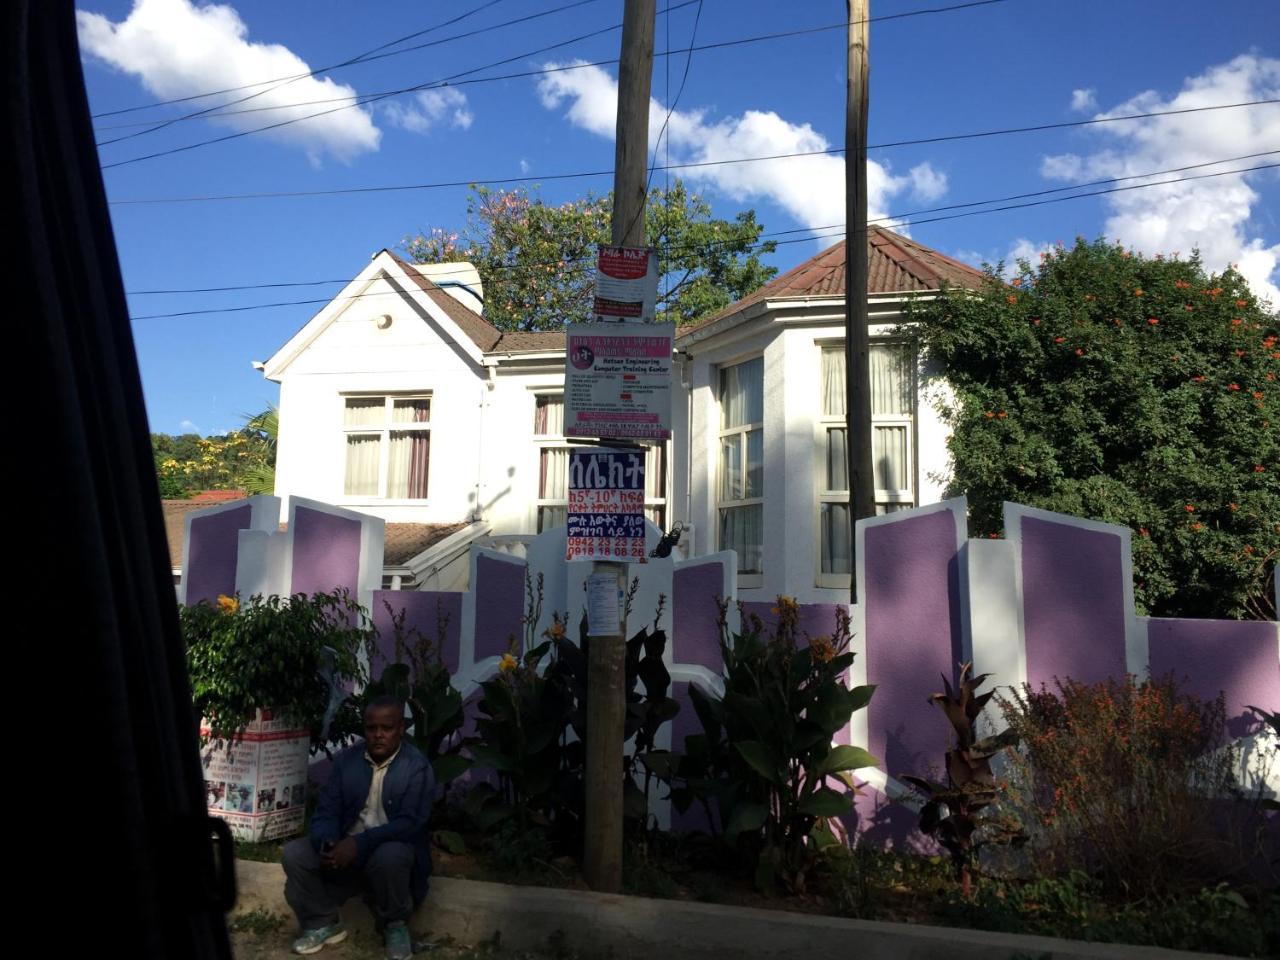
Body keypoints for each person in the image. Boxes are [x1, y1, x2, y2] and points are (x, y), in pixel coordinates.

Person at [282, 696, 435, 958]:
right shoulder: (347, 761)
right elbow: (326, 810)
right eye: (371, 728)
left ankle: (395, 926)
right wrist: (328, 842)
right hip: (346, 852)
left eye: (386, 728)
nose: (378, 735)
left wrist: (359, 844)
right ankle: (322, 923)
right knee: (294, 853)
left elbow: (410, 824)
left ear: (400, 728)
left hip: (388, 858)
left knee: (391, 855)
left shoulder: (416, 767)